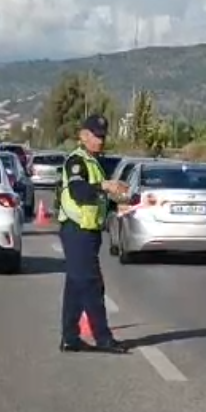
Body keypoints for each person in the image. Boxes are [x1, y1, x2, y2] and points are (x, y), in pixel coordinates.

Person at [57, 114, 130, 354]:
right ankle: (103, 338)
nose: (100, 141)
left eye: (103, 136)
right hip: (76, 230)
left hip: (89, 231)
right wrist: (105, 186)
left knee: (76, 286)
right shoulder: (77, 161)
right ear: (83, 135)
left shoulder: (93, 161)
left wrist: (115, 205)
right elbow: (79, 192)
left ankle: (70, 337)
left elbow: (97, 198)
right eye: (96, 136)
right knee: (92, 284)